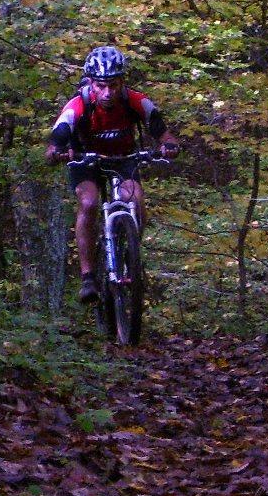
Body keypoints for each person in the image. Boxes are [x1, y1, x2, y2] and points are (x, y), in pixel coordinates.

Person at [46, 46, 179, 304]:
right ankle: (88, 277)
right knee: (89, 202)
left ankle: (131, 257)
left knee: (136, 200)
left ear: (122, 82)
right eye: (101, 86)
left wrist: (169, 146)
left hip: (124, 159)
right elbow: (54, 144)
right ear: (91, 84)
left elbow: (165, 134)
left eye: (114, 85)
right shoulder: (77, 107)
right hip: (86, 160)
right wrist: (57, 153)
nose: (108, 92)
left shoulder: (136, 101)